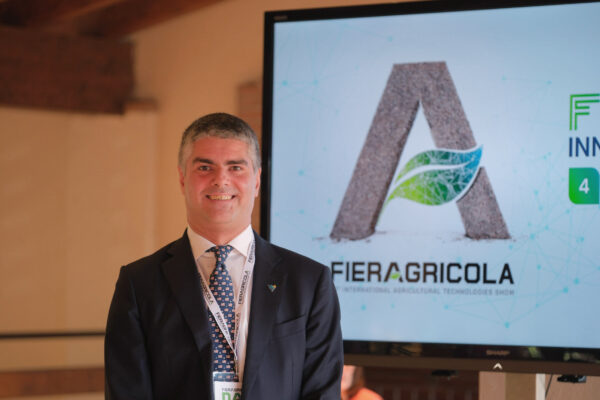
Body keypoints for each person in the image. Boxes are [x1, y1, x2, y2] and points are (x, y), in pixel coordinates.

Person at [104, 113, 343, 400]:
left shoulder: (309, 282)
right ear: (182, 179)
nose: (221, 180)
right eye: (205, 167)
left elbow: (322, 392)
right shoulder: (138, 284)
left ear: (256, 181)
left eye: (236, 167)